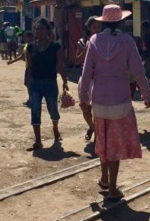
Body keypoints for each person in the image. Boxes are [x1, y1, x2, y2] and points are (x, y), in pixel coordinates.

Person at [79, 4, 150, 202]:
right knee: (115, 145)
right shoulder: (127, 41)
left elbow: (86, 74)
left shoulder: (93, 41)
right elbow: (138, 70)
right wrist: (146, 95)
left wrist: (83, 98)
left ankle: (104, 179)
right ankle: (112, 188)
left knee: (102, 141)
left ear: (103, 22)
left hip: (100, 100)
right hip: (120, 100)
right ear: (120, 21)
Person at [26, 19, 68, 150]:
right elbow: (30, 67)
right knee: (35, 111)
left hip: (50, 82)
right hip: (35, 83)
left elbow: (60, 65)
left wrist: (65, 81)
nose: (39, 32)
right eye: (37, 29)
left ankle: (55, 129)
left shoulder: (55, 47)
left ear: (48, 31)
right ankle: (38, 141)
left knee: (53, 109)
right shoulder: (31, 47)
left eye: (41, 29)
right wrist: (27, 81)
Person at [75, 16, 102, 141]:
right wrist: (87, 47)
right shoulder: (82, 42)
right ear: (88, 28)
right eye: (94, 27)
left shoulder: (103, 41)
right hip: (86, 79)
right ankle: (92, 127)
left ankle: (97, 136)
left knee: (98, 110)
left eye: (98, 27)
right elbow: (78, 60)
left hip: (99, 79)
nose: (96, 30)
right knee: (86, 108)